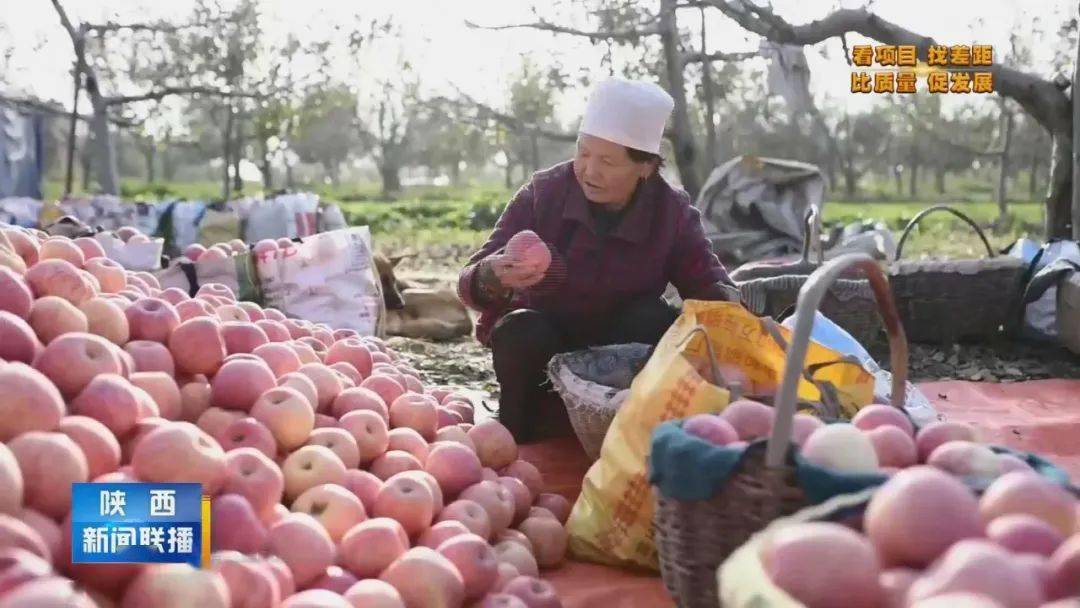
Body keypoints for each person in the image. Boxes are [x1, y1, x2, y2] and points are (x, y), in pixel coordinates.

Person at [457, 78, 740, 443]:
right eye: (583, 153)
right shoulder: (543, 194)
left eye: (607, 161)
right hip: (545, 351)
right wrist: (492, 276)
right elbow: (468, 285)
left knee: (653, 317)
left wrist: (736, 310)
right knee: (517, 329)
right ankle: (520, 428)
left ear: (647, 167)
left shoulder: (672, 214)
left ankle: (625, 427)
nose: (589, 170)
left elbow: (707, 285)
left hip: (618, 364)